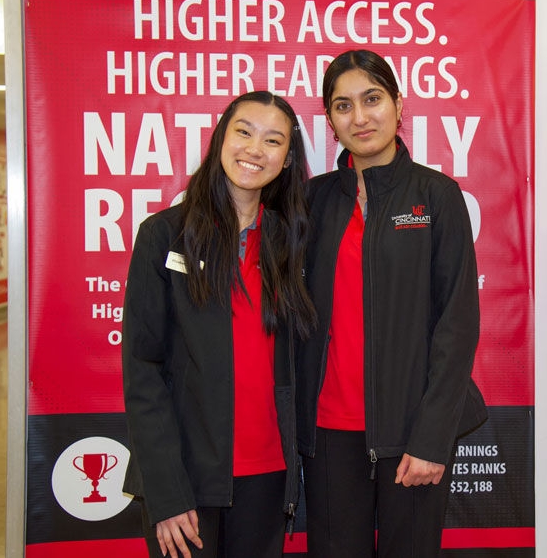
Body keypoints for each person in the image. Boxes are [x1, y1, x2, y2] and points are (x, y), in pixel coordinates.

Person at [297, 49, 488, 557]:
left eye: (372, 99)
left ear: (399, 105)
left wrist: (431, 438)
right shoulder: (310, 201)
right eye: (342, 106)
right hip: (330, 432)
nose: (359, 117)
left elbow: (457, 324)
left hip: (412, 432)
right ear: (330, 119)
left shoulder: (438, 195)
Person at [122, 91, 315, 558]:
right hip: (187, 478)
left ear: (287, 160)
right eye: (243, 132)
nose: (254, 149)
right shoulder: (164, 235)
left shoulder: (292, 243)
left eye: (273, 140)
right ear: (220, 138)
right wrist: (166, 492)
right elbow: (143, 369)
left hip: (269, 479)